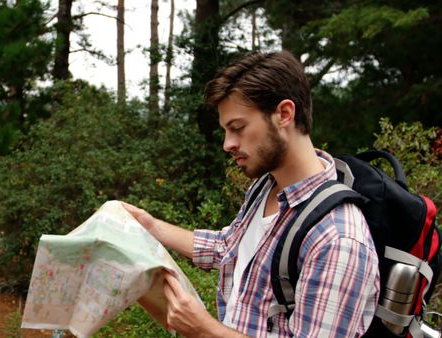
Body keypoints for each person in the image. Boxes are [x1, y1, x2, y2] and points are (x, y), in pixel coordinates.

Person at [123, 50, 380, 338]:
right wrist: (152, 227)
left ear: (284, 114)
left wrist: (204, 330)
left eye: (238, 128)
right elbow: (227, 248)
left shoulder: (338, 238)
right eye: (226, 130)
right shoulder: (266, 186)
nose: (228, 144)